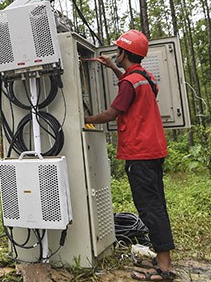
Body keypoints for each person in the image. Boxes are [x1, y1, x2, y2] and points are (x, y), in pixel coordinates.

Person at [84, 30, 176, 281]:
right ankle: (161, 256)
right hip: (154, 150)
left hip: (139, 152)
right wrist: (114, 67)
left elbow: (111, 114)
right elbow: (130, 82)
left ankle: (165, 267)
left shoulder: (129, 82)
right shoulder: (145, 78)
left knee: (150, 208)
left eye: (118, 50)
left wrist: (82, 119)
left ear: (124, 52)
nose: (117, 52)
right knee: (157, 204)